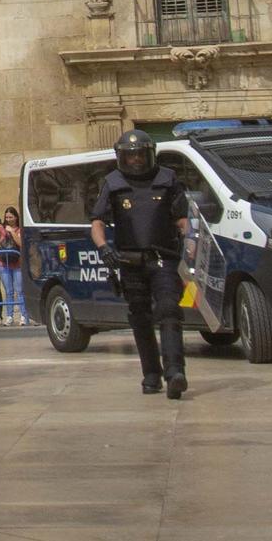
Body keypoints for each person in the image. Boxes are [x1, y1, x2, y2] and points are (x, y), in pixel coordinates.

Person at [92, 130, 192, 399]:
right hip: (129, 260)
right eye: (130, 155)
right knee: (140, 318)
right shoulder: (112, 183)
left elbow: (183, 221)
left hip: (163, 258)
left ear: (149, 154)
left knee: (170, 310)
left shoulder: (167, 179)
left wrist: (191, 247)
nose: (135, 160)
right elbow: (97, 222)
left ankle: (175, 372)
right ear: (121, 157)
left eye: (139, 155)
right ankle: (151, 374)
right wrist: (104, 248)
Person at [0, 207, 27, 325]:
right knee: (8, 291)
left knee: (20, 290)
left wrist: (12, 232)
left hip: (17, 264)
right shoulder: (2, 228)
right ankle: (9, 316)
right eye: (6, 217)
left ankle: (23, 315)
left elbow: (21, 243)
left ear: (16, 217)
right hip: (4, 263)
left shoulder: (20, 229)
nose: (8, 219)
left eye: (11, 217)